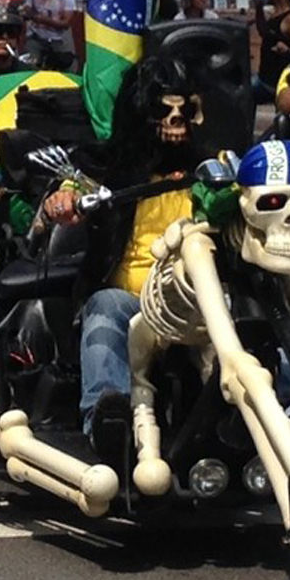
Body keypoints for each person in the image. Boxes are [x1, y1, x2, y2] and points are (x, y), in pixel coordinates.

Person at [39, 55, 209, 457]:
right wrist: (62, 203)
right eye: (163, 111)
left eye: (185, 110)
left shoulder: (212, 168)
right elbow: (66, 194)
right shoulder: (104, 169)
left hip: (203, 302)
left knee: (257, 313)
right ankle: (105, 417)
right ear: (139, 115)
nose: (175, 121)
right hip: (132, 304)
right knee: (104, 306)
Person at [27, 0, 76, 67]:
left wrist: (42, 20)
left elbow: (66, 23)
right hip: (36, 38)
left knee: (65, 64)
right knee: (31, 64)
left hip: (57, 40)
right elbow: (27, 10)